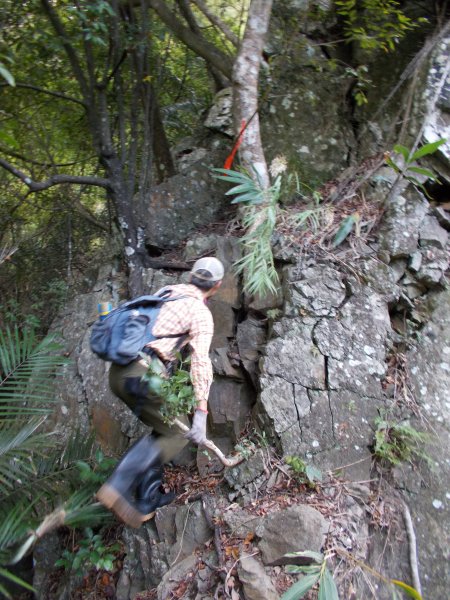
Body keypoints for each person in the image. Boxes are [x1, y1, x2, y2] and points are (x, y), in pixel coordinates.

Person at [96, 256, 224, 528]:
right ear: (217, 286)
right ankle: (117, 486)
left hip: (119, 373)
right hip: (141, 374)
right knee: (178, 433)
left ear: (190, 276)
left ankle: (146, 498)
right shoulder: (200, 312)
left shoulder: (167, 292)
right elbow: (200, 361)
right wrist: (201, 412)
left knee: (163, 428)